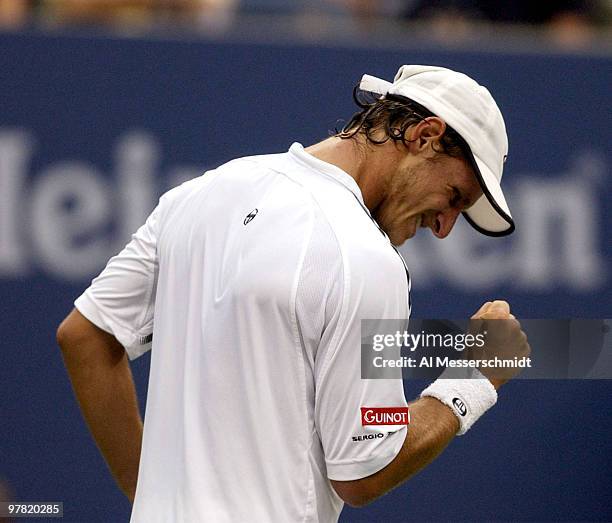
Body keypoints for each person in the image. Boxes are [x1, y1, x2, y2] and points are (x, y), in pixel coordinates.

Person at [57, 65, 530, 522]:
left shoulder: (198, 195)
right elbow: (364, 471)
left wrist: (153, 501)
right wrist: (473, 379)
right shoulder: (367, 259)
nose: (444, 229)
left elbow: (84, 336)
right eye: (453, 197)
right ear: (424, 136)